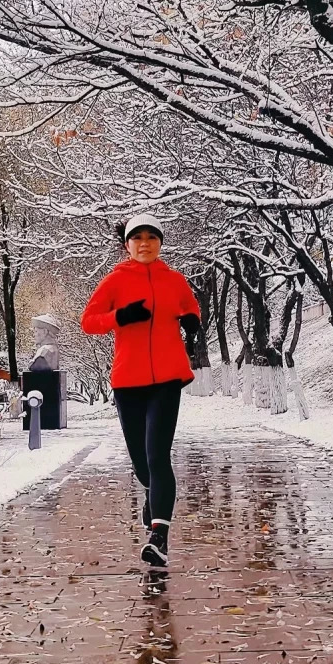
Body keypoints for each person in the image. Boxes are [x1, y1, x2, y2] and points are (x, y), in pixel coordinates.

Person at [80, 213, 201, 568]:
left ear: (160, 243)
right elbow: (88, 322)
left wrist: (192, 319)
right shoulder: (114, 281)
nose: (144, 243)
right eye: (137, 238)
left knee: (157, 455)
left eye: (151, 237)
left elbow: (189, 306)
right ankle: (153, 494)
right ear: (127, 245)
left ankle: (159, 537)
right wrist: (120, 317)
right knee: (141, 463)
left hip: (167, 379)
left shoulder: (174, 280)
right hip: (128, 382)